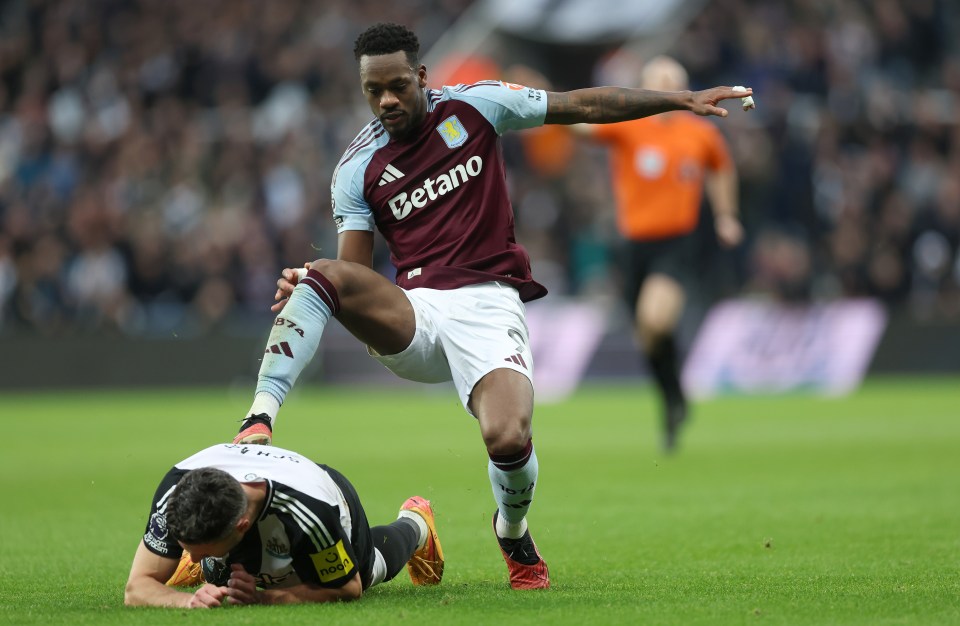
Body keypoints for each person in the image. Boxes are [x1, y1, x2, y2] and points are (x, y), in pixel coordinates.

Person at [232, 23, 751, 590]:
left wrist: (680, 101)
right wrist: (316, 290)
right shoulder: (356, 168)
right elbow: (355, 274)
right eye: (373, 90)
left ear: (422, 76)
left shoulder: (477, 106)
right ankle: (259, 418)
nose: (386, 100)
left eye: (398, 85)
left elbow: (581, 104)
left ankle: (512, 529)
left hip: (487, 305)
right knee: (322, 273)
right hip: (416, 313)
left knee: (507, 437)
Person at [578, 55, 744, 452]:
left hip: (677, 244)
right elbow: (581, 127)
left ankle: (673, 398)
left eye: (673, 82)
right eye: (658, 83)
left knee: (654, 320)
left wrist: (725, 215)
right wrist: (537, 106)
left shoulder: (699, 133)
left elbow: (721, 169)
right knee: (648, 336)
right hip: (633, 247)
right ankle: (673, 398)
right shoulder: (630, 126)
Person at [124, 443, 443, 608]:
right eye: (185, 548)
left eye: (194, 552)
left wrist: (264, 598)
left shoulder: (310, 515)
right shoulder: (176, 491)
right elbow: (137, 588)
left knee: (367, 570)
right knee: (226, 574)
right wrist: (186, 601)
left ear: (241, 526)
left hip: (324, 496)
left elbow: (347, 589)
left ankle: (416, 523)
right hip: (247, 516)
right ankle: (214, 562)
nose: (186, 557)